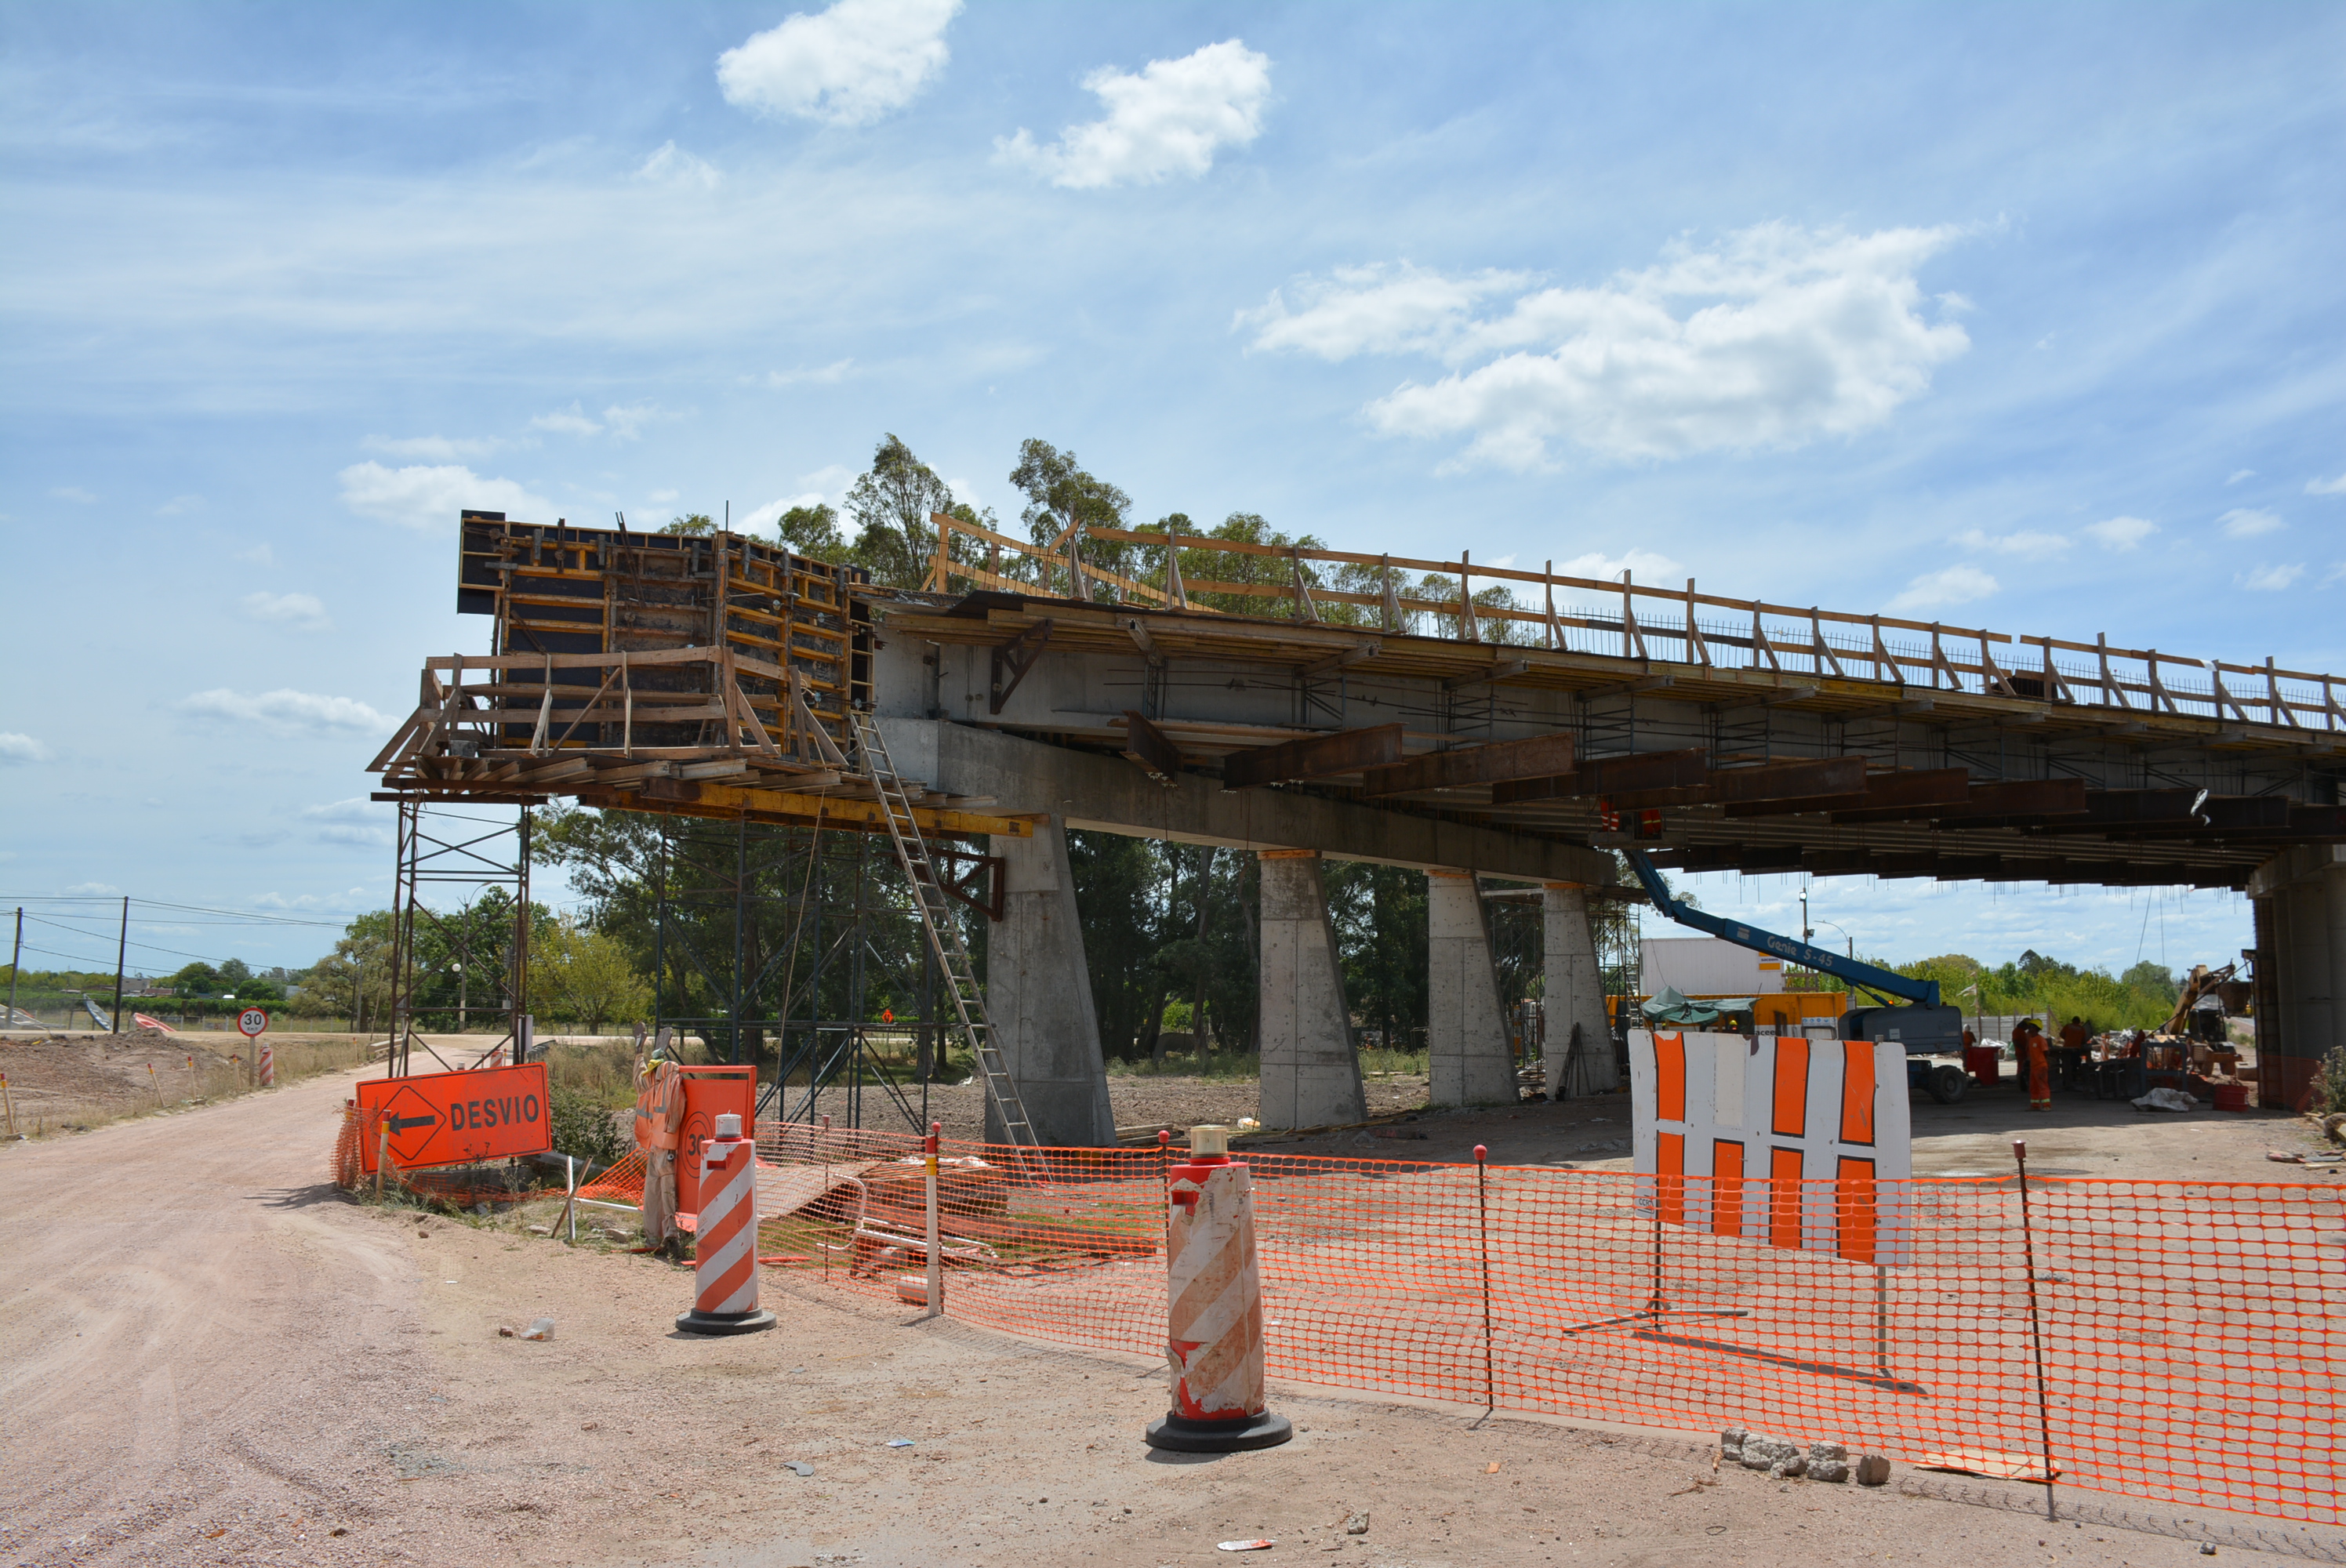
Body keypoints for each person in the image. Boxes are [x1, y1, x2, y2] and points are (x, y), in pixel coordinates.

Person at [2019, 1017, 2052, 1112]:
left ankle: (2047, 1105)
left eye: (2031, 1026)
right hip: (2033, 1067)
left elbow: (2046, 1052)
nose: (2029, 1028)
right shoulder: (2031, 1039)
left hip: (2040, 1066)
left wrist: (2041, 1061)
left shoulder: (2040, 1039)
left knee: (2043, 1086)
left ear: (2035, 1028)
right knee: (2033, 1087)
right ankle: (2035, 1105)